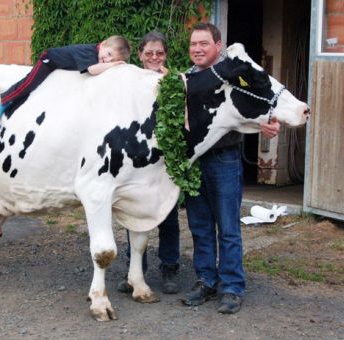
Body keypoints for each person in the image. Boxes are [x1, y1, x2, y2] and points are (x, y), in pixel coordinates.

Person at [181, 23, 280, 314]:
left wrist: (271, 122)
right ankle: (205, 281)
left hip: (224, 159)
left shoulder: (235, 75)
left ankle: (232, 287)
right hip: (194, 161)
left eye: (203, 43)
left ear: (218, 46)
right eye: (193, 44)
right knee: (199, 227)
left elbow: (263, 101)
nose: (197, 49)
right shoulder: (185, 79)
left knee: (227, 227)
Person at [117, 31, 181, 295]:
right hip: (137, 158)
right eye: (149, 53)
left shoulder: (174, 81)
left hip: (165, 159)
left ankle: (169, 268)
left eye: (160, 53)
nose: (154, 57)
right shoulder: (131, 80)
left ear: (165, 55)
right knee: (135, 214)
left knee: (168, 216)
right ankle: (136, 270)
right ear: (141, 55)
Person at [0, 35, 131, 129]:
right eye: (109, 54)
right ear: (103, 44)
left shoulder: (98, 54)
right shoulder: (90, 52)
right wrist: (114, 65)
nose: (107, 60)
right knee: (28, 84)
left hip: (60, 66)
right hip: (49, 61)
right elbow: (92, 70)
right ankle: (0, 106)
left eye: (112, 60)